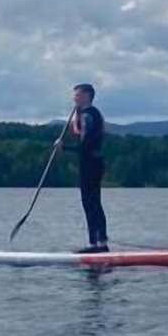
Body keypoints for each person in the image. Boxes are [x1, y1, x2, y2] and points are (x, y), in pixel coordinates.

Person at [56, 83, 108, 253]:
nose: (74, 99)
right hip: (93, 163)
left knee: (90, 202)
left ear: (86, 96)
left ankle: (97, 245)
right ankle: (98, 243)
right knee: (92, 203)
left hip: (91, 164)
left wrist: (64, 147)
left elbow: (85, 145)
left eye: (77, 95)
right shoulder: (88, 114)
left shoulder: (87, 116)